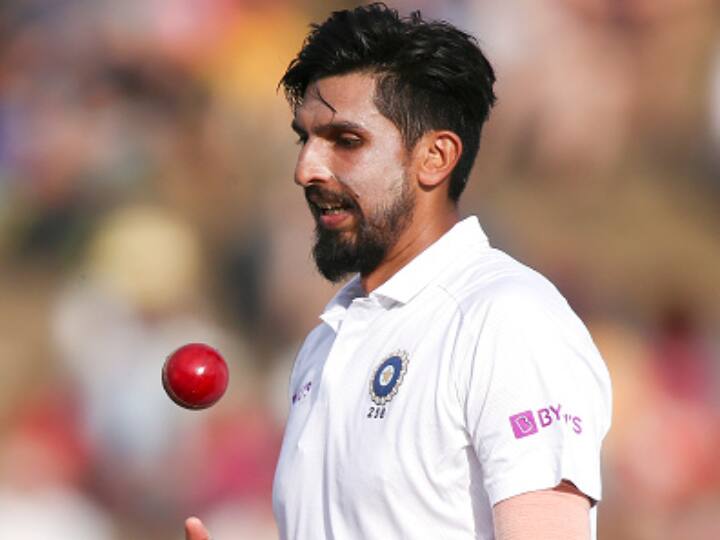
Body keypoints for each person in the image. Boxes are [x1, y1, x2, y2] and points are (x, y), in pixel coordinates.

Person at [185, 3, 612, 539]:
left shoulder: (506, 319)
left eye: (346, 141)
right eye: (305, 139)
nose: (306, 169)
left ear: (435, 157)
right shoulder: (324, 343)